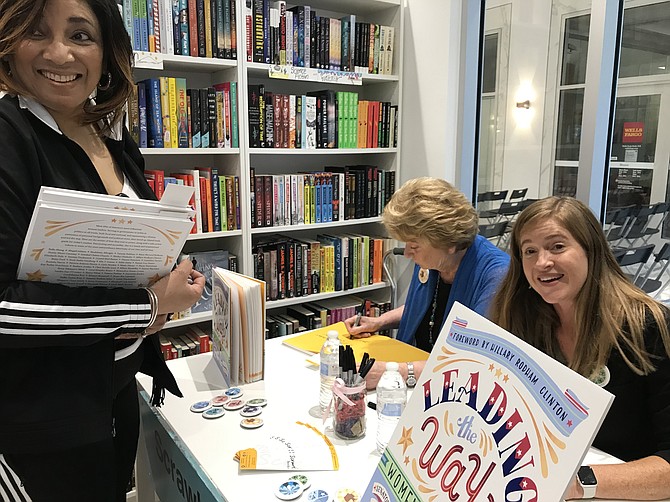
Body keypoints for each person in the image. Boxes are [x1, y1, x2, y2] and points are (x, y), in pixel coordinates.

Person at [0, 0, 205, 500]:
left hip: (110, 396)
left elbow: (115, 265)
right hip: (38, 423)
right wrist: (149, 304)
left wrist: (165, 262)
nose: (59, 53)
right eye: (36, 32)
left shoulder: (112, 141)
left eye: (81, 36)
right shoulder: (9, 134)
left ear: (108, 52)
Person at [490, 196, 670, 500]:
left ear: (591, 249)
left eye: (557, 246)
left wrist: (577, 481)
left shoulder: (648, 326)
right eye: (530, 251)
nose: (542, 262)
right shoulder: (523, 319)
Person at [345, 177, 510, 389]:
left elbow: (472, 360)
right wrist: (380, 322)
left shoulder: (497, 275)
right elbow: (426, 308)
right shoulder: (436, 258)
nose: (406, 253)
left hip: (454, 388)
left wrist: (394, 372)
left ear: (449, 242)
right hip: (417, 375)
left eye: (413, 246)